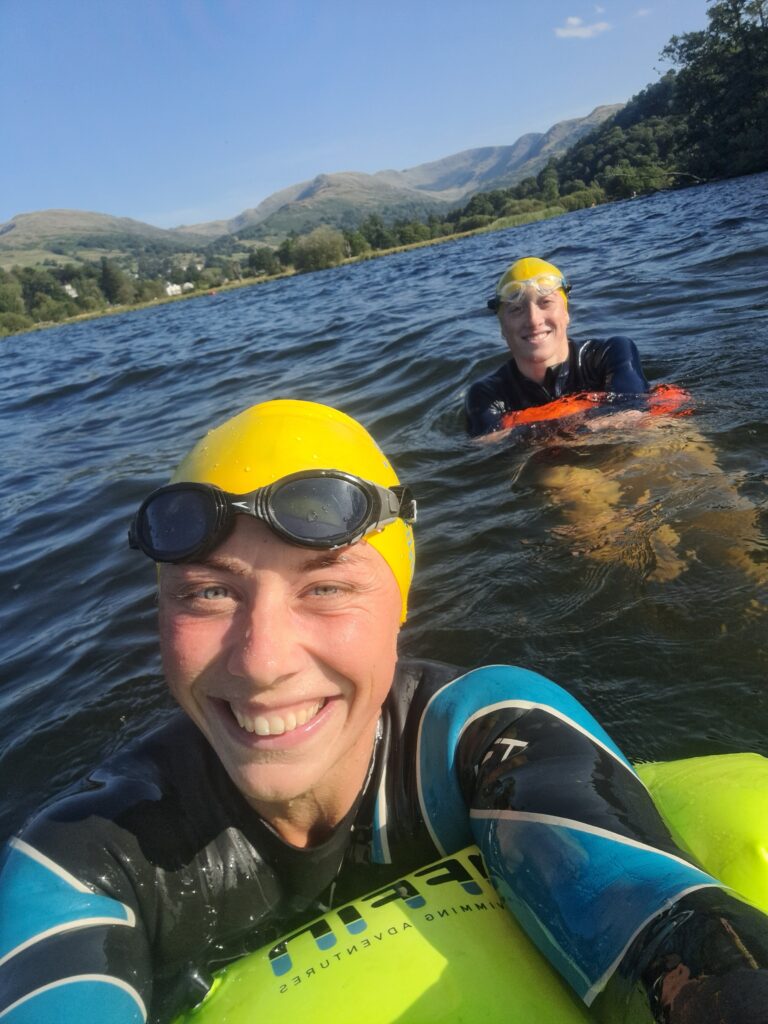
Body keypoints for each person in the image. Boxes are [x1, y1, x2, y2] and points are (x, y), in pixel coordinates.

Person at [2, 398, 768, 1024]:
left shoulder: (489, 734)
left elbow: (667, 933)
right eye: (208, 592)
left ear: (399, 605)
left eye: (326, 587)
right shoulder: (83, 867)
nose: (262, 661)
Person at [464, 256, 650, 438]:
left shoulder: (610, 354)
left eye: (545, 302)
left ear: (566, 313)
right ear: (503, 327)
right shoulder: (486, 395)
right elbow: (490, 444)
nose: (533, 320)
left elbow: (634, 410)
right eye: (516, 309)